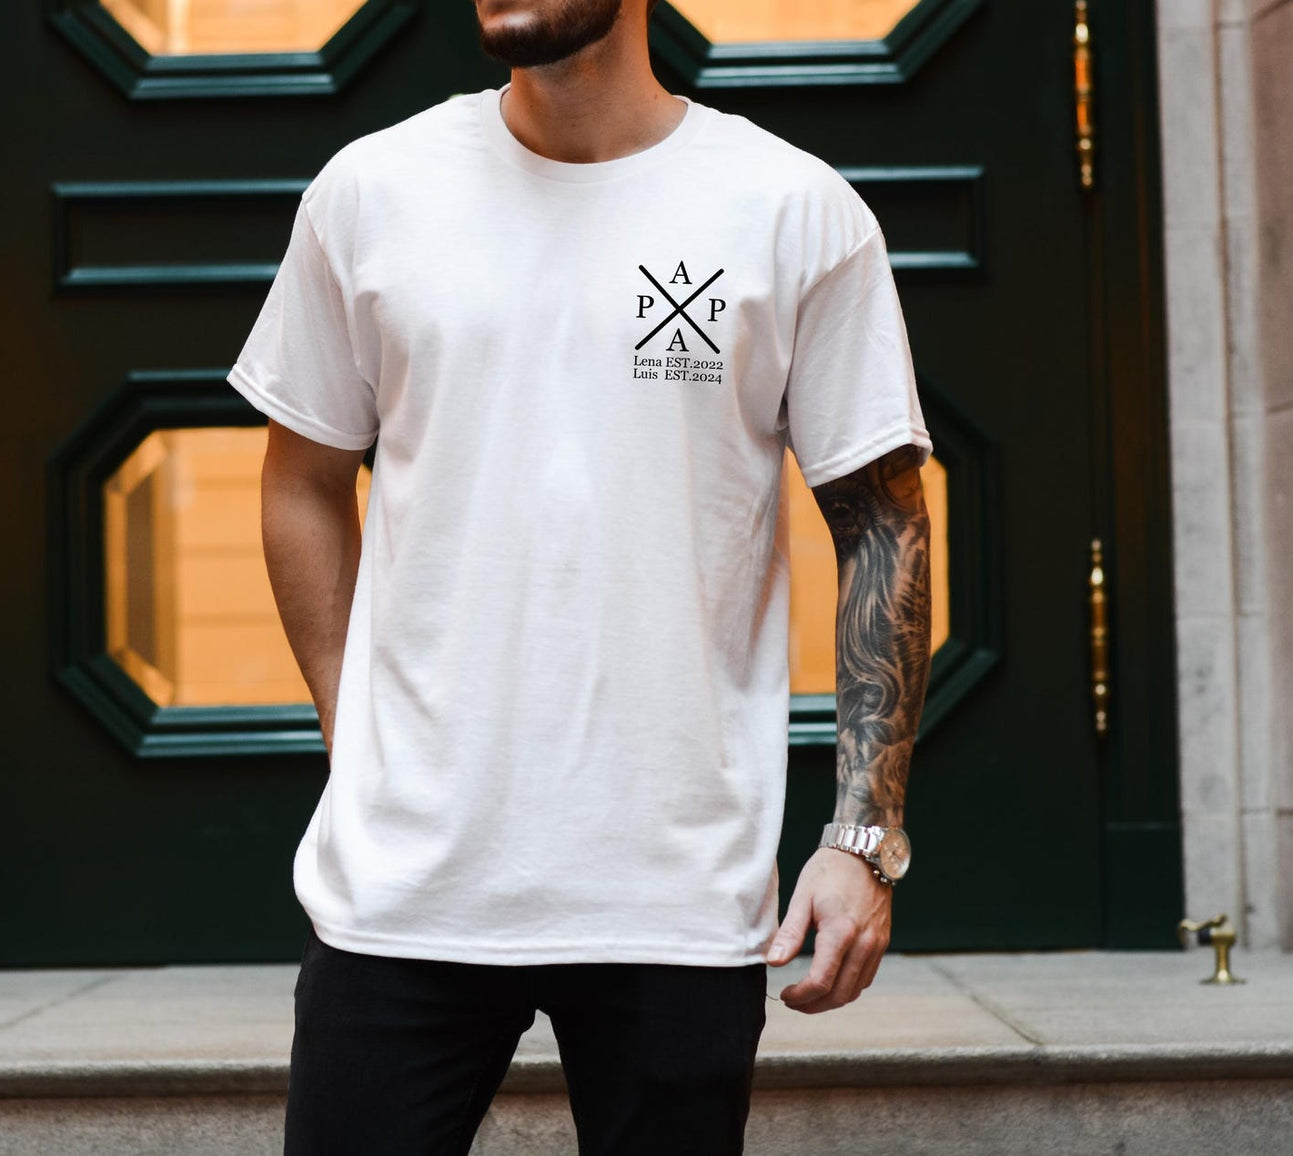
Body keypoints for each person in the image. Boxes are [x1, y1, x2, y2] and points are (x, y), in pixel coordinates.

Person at [226, 0, 933, 1152]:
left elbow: (883, 526)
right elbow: (301, 480)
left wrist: (862, 835)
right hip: (406, 886)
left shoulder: (790, 209)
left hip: (673, 889)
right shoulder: (370, 192)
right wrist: (348, 721)